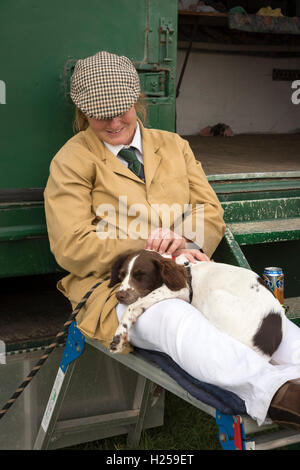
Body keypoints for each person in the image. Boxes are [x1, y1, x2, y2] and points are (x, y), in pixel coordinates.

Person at [44, 51, 300, 430]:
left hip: (188, 270)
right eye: (101, 114)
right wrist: (147, 247)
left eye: (122, 109)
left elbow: (209, 210)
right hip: (121, 286)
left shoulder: (174, 145)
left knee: (260, 308)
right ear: (83, 111)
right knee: (174, 319)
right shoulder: (70, 160)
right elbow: (71, 244)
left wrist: (183, 238)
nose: (115, 121)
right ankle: (277, 395)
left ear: (137, 100)